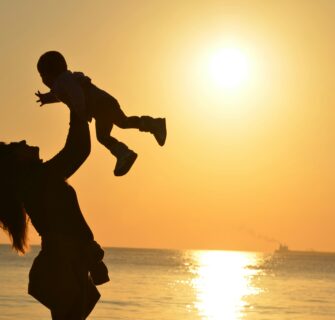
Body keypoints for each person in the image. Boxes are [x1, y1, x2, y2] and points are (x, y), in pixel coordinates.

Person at [0, 112, 109, 319]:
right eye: (18, 146)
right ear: (17, 161)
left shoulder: (38, 179)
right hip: (63, 261)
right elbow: (77, 150)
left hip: (66, 259)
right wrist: (76, 108)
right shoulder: (39, 179)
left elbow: (78, 151)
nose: (24, 141)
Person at [35, 51, 167, 176]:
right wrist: (47, 98)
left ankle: (125, 154)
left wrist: (81, 111)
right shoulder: (66, 80)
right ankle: (153, 124)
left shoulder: (62, 81)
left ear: (50, 74)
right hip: (104, 102)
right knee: (123, 122)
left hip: (99, 106)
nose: (43, 80)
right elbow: (61, 94)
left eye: (42, 76)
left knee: (103, 136)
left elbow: (76, 93)